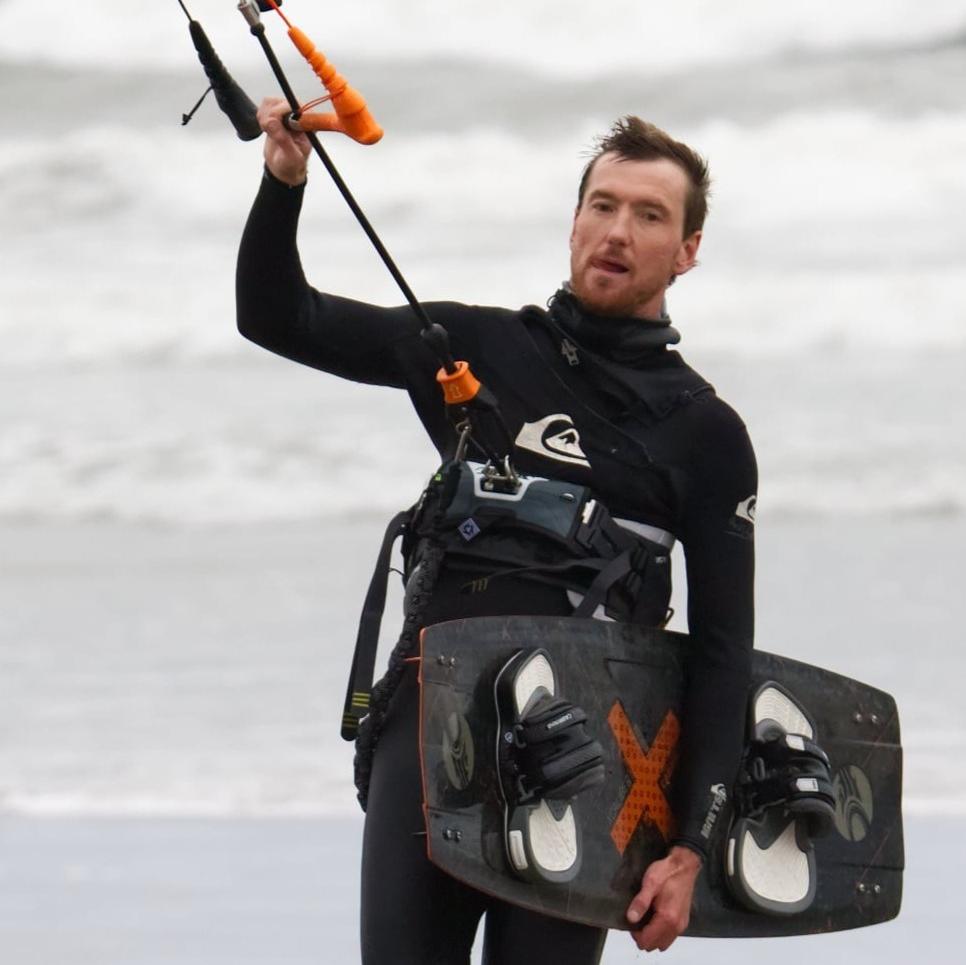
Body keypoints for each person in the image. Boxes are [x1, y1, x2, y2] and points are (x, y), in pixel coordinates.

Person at [237, 102, 756, 962]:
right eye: (603, 205)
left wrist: (692, 846)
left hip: (585, 757)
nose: (617, 230)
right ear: (574, 221)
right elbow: (276, 315)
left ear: (688, 249)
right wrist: (283, 181)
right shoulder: (474, 349)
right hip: (435, 730)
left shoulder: (705, 435)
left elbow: (723, 651)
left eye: (650, 214)